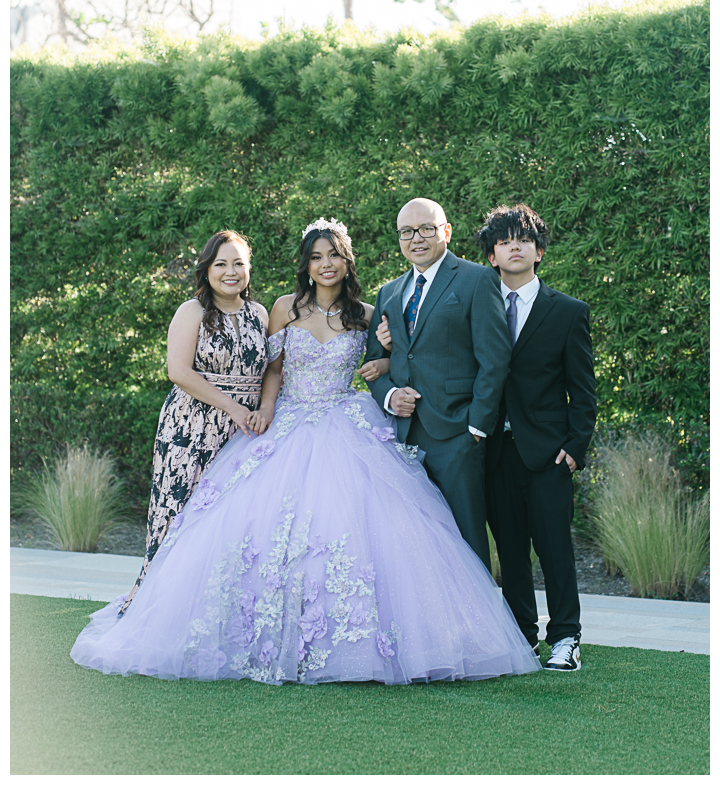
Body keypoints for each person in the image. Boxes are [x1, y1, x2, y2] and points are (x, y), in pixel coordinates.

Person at [70, 217, 540, 685]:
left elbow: (401, 357)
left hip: (345, 420)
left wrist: (381, 362)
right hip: (288, 420)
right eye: (316, 257)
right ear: (306, 264)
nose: (325, 264)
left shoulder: (369, 312)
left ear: (346, 260)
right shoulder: (282, 308)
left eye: (333, 254)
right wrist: (266, 410)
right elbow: (272, 370)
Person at [120, 229, 269, 612]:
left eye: (239, 263)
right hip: (192, 427)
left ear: (249, 268)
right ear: (207, 270)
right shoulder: (193, 311)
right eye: (221, 264)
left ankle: (217, 611)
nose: (231, 272)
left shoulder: (260, 314)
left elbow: (273, 369)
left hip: (244, 433)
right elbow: (179, 372)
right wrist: (233, 408)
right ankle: (157, 608)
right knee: (179, 512)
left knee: (232, 520)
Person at [476, 204, 596, 672]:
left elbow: (583, 391)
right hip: (494, 452)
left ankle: (566, 638)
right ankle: (522, 637)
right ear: (492, 256)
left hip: (548, 454)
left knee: (555, 549)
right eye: (504, 241)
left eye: (523, 239)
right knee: (510, 552)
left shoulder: (567, 312)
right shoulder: (478, 307)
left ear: (539, 251)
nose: (514, 246)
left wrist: (575, 448)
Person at [364, 198, 511, 570]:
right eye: (407, 232)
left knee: (467, 540)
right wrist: (391, 396)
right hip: (403, 439)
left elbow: (494, 360)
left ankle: (477, 628)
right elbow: (375, 366)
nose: (417, 238)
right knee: (414, 545)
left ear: (445, 231)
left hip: (456, 435)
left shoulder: (476, 279)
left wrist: (476, 427)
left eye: (426, 228)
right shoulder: (390, 292)